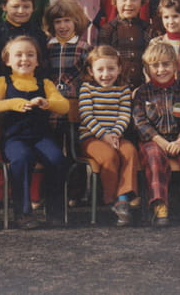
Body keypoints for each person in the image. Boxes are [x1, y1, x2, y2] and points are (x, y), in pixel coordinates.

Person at [0, 35, 69, 229]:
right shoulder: (4, 82)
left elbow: (64, 106)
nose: (24, 59)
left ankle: (55, 211)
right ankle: (23, 213)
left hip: (41, 137)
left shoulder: (44, 83)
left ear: (37, 61)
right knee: (22, 159)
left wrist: (47, 103)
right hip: (14, 138)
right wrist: (13, 103)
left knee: (57, 159)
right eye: (18, 55)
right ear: (7, 60)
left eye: (30, 55)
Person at [0, 0, 49, 208]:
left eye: (26, 6)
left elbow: (43, 65)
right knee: (4, 147)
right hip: (4, 93)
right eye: (15, 6)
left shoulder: (38, 33)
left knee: (33, 144)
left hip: (33, 93)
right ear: (4, 7)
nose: (21, 11)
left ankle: (34, 193)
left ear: (33, 8)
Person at [132, 41, 180, 226]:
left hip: (178, 140)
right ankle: (159, 205)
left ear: (175, 66)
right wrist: (160, 141)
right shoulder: (142, 93)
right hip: (153, 140)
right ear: (147, 69)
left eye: (166, 64)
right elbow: (140, 122)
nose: (161, 70)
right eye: (155, 65)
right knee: (153, 155)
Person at [78, 45, 140, 226]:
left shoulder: (123, 89)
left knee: (129, 151)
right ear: (91, 71)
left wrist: (115, 133)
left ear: (119, 69)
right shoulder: (87, 88)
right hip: (91, 138)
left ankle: (123, 199)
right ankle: (111, 198)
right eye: (100, 70)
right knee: (109, 156)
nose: (106, 74)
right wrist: (104, 135)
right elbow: (86, 115)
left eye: (111, 69)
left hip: (116, 136)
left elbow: (124, 115)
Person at [43, 0, 91, 206]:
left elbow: (89, 76)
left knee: (75, 150)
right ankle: (53, 193)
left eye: (67, 21)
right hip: (52, 108)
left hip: (75, 108)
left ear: (76, 22)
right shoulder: (47, 47)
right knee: (52, 149)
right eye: (58, 22)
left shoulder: (84, 47)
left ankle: (75, 193)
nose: (62, 26)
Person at [98, 0, 152, 89]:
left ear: (142, 1)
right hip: (115, 89)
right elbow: (103, 63)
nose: (129, 3)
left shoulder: (148, 29)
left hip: (143, 89)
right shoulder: (108, 30)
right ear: (115, 1)